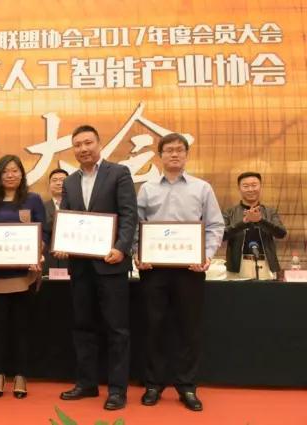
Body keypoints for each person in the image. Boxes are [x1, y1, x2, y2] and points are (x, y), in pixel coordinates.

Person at [134, 133, 224, 412]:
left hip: (190, 269)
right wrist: (138, 253)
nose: (174, 154)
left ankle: (187, 386)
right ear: (160, 156)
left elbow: (215, 225)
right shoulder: (147, 189)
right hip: (154, 270)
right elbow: (136, 226)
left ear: (186, 155)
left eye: (179, 150)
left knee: (189, 328)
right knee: (154, 326)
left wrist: (206, 255)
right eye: (169, 150)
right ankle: (153, 384)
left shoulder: (202, 188)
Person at [55, 125, 137, 411]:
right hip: (80, 267)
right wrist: (62, 243)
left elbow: (129, 215)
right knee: (83, 327)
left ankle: (117, 390)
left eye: (88, 142)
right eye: (77, 145)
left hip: (111, 264)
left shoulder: (119, 173)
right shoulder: (70, 182)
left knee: (117, 330)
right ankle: (87, 383)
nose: (83, 149)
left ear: (99, 144)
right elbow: (67, 217)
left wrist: (121, 247)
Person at [0, 155, 47, 399]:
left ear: (22, 174)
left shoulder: (33, 200)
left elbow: (43, 233)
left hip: (24, 275)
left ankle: (20, 375)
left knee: (22, 327)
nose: (10, 175)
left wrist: (37, 252)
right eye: (5, 171)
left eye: (15, 170)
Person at [223, 172, 287, 280]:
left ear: (260, 186)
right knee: (236, 291)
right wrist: (243, 223)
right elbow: (221, 235)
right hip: (238, 266)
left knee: (267, 291)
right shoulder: (230, 212)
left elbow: (281, 233)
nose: (250, 189)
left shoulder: (270, 212)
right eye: (246, 186)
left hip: (266, 264)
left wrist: (260, 220)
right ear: (239, 188)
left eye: (254, 185)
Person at [42, 168, 69, 274]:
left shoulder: (77, 207)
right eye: (54, 180)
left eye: (62, 180)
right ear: (49, 185)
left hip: (72, 260)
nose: (58, 183)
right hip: (48, 260)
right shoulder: (40, 207)